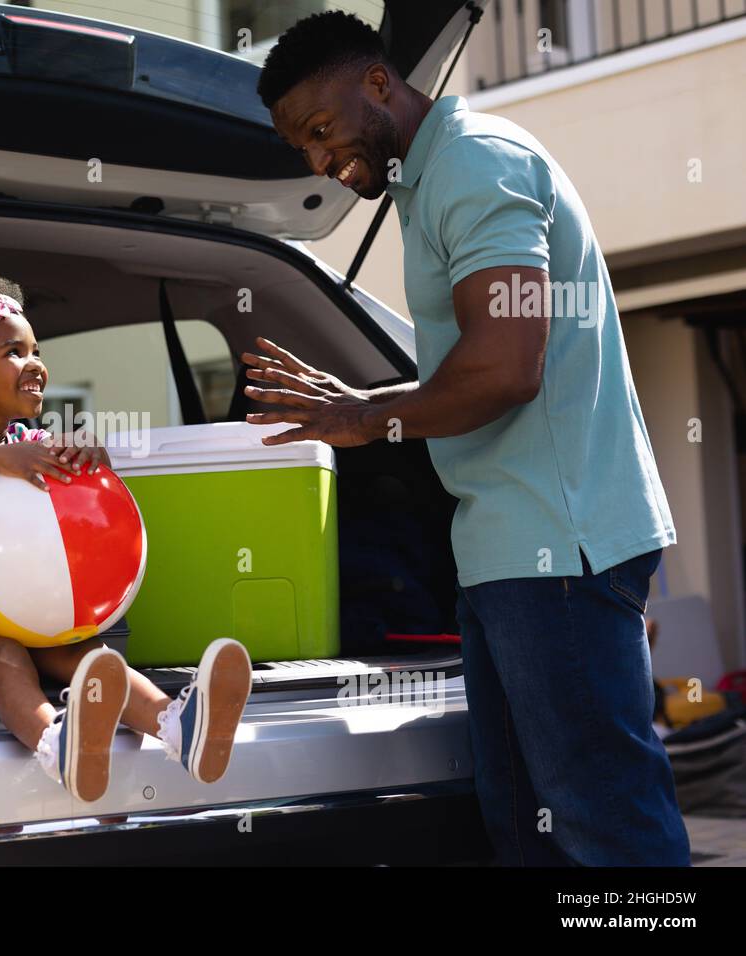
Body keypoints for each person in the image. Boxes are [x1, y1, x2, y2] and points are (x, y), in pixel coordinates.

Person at [246, 11, 689, 865]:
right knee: (529, 832)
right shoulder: (430, 181)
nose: (317, 160)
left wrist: (368, 417)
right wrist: (368, 404)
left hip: (560, 549)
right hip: (510, 553)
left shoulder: (477, 166)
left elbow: (506, 365)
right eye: (301, 146)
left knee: (606, 828)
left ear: (378, 83)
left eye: (321, 130)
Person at [0, 270, 252, 803]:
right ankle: (55, 742)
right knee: (3, 659)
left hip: (26, 608)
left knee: (88, 653)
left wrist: (91, 459)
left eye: (36, 349)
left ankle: (180, 726)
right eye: (13, 352)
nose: (36, 362)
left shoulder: (32, 440)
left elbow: (75, 505)